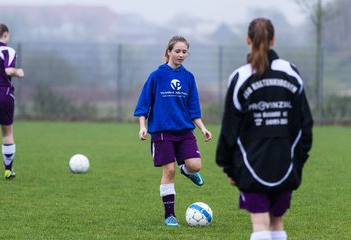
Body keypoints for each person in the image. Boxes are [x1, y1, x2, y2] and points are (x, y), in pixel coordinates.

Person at [216, 18, 313, 240]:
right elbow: (305, 124)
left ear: (248, 40)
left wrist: (229, 168)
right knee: (277, 223)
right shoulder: (291, 71)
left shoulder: (240, 77)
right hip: (284, 162)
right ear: (273, 40)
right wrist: (297, 160)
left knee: (260, 224)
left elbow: (230, 128)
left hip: (251, 163)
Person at [134, 35, 212, 227]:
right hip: (162, 132)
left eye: (184, 51)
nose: (181, 55)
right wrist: (143, 127)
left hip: (184, 131)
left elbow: (193, 109)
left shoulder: (188, 77)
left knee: (195, 166)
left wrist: (202, 128)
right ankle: (170, 215)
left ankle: (186, 170)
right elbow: (144, 104)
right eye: (177, 51)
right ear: (169, 51)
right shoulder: (156, 76)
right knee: (169, 171)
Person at [0, 22, 25, 180]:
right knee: (7, 133)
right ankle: (8, 170)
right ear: (5, 34)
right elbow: (8, 70)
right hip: (3, 94)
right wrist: (18, 72)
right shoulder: (7, 50)